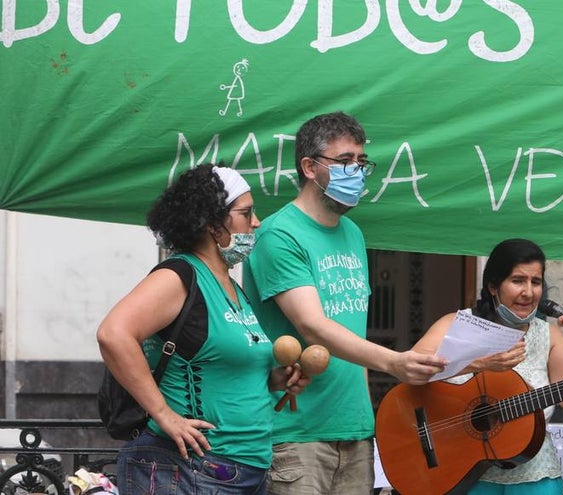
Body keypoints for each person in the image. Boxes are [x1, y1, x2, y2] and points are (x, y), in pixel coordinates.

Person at [242, 111, 448, 495]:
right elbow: (312, 325)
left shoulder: (352, 233)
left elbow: (352, 327)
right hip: (296, 433)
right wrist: (393, 361)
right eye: (344, 161)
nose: (356, 170)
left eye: (361, 162)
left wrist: (368, 419)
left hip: (353, 429)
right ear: (308, 166)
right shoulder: (278, 234)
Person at [97, 164, 309, 495]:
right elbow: (113, 334)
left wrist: (275, 380)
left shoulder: (232, 288)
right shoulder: (179, 276)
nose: (256, 222)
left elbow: (218, 367)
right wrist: (164, 415)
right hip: (189, 470)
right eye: (246, 212)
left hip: (243, 471)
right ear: (212, 224)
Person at [411, 238, 563, 495]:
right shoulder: (456, 324)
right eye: (517, 280)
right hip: (460, 471)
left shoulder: (549, 335)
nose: (528, 291)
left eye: (535, 282)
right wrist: (478, 363)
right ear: (493, 286)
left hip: (535, 474)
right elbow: (412, 370)